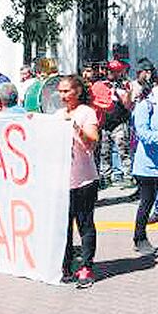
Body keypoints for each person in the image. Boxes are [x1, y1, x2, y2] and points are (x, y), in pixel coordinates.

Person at [57, 75, 100, 288]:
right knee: (63, 226)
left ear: (78, 92)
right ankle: (65, 265)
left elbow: (92, 142)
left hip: (84, 180)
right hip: (62, 181)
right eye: (60, 91)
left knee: (84, 224)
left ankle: (86, 267)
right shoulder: (57, 114)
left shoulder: (86, 112)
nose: (63, 96)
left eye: (67, 91)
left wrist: (77, 129)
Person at [131, 68, 158, 256]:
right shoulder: (145, 105)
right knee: (147, 202)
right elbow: (143, 134)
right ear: (157, 85)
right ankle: (139, 238)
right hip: (148, 165)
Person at [96, 60, 134, 189]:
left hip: (119, 121)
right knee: (104, 151)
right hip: (105, 122)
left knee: (123, 150)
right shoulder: (100, 85)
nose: (111, 73)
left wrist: (121, 91)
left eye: (115, 71)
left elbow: (128, 105)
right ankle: (106, 176)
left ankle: (128, 175)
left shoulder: (124, 85)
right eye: (110, 71)